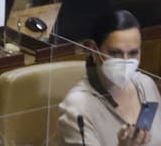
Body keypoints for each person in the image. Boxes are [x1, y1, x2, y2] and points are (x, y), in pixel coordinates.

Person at [59, 9, 161, 145]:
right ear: (94, 50)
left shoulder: (145, 84)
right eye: (115, 53)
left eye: (133, 53)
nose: (125, 61)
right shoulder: (77, 107)